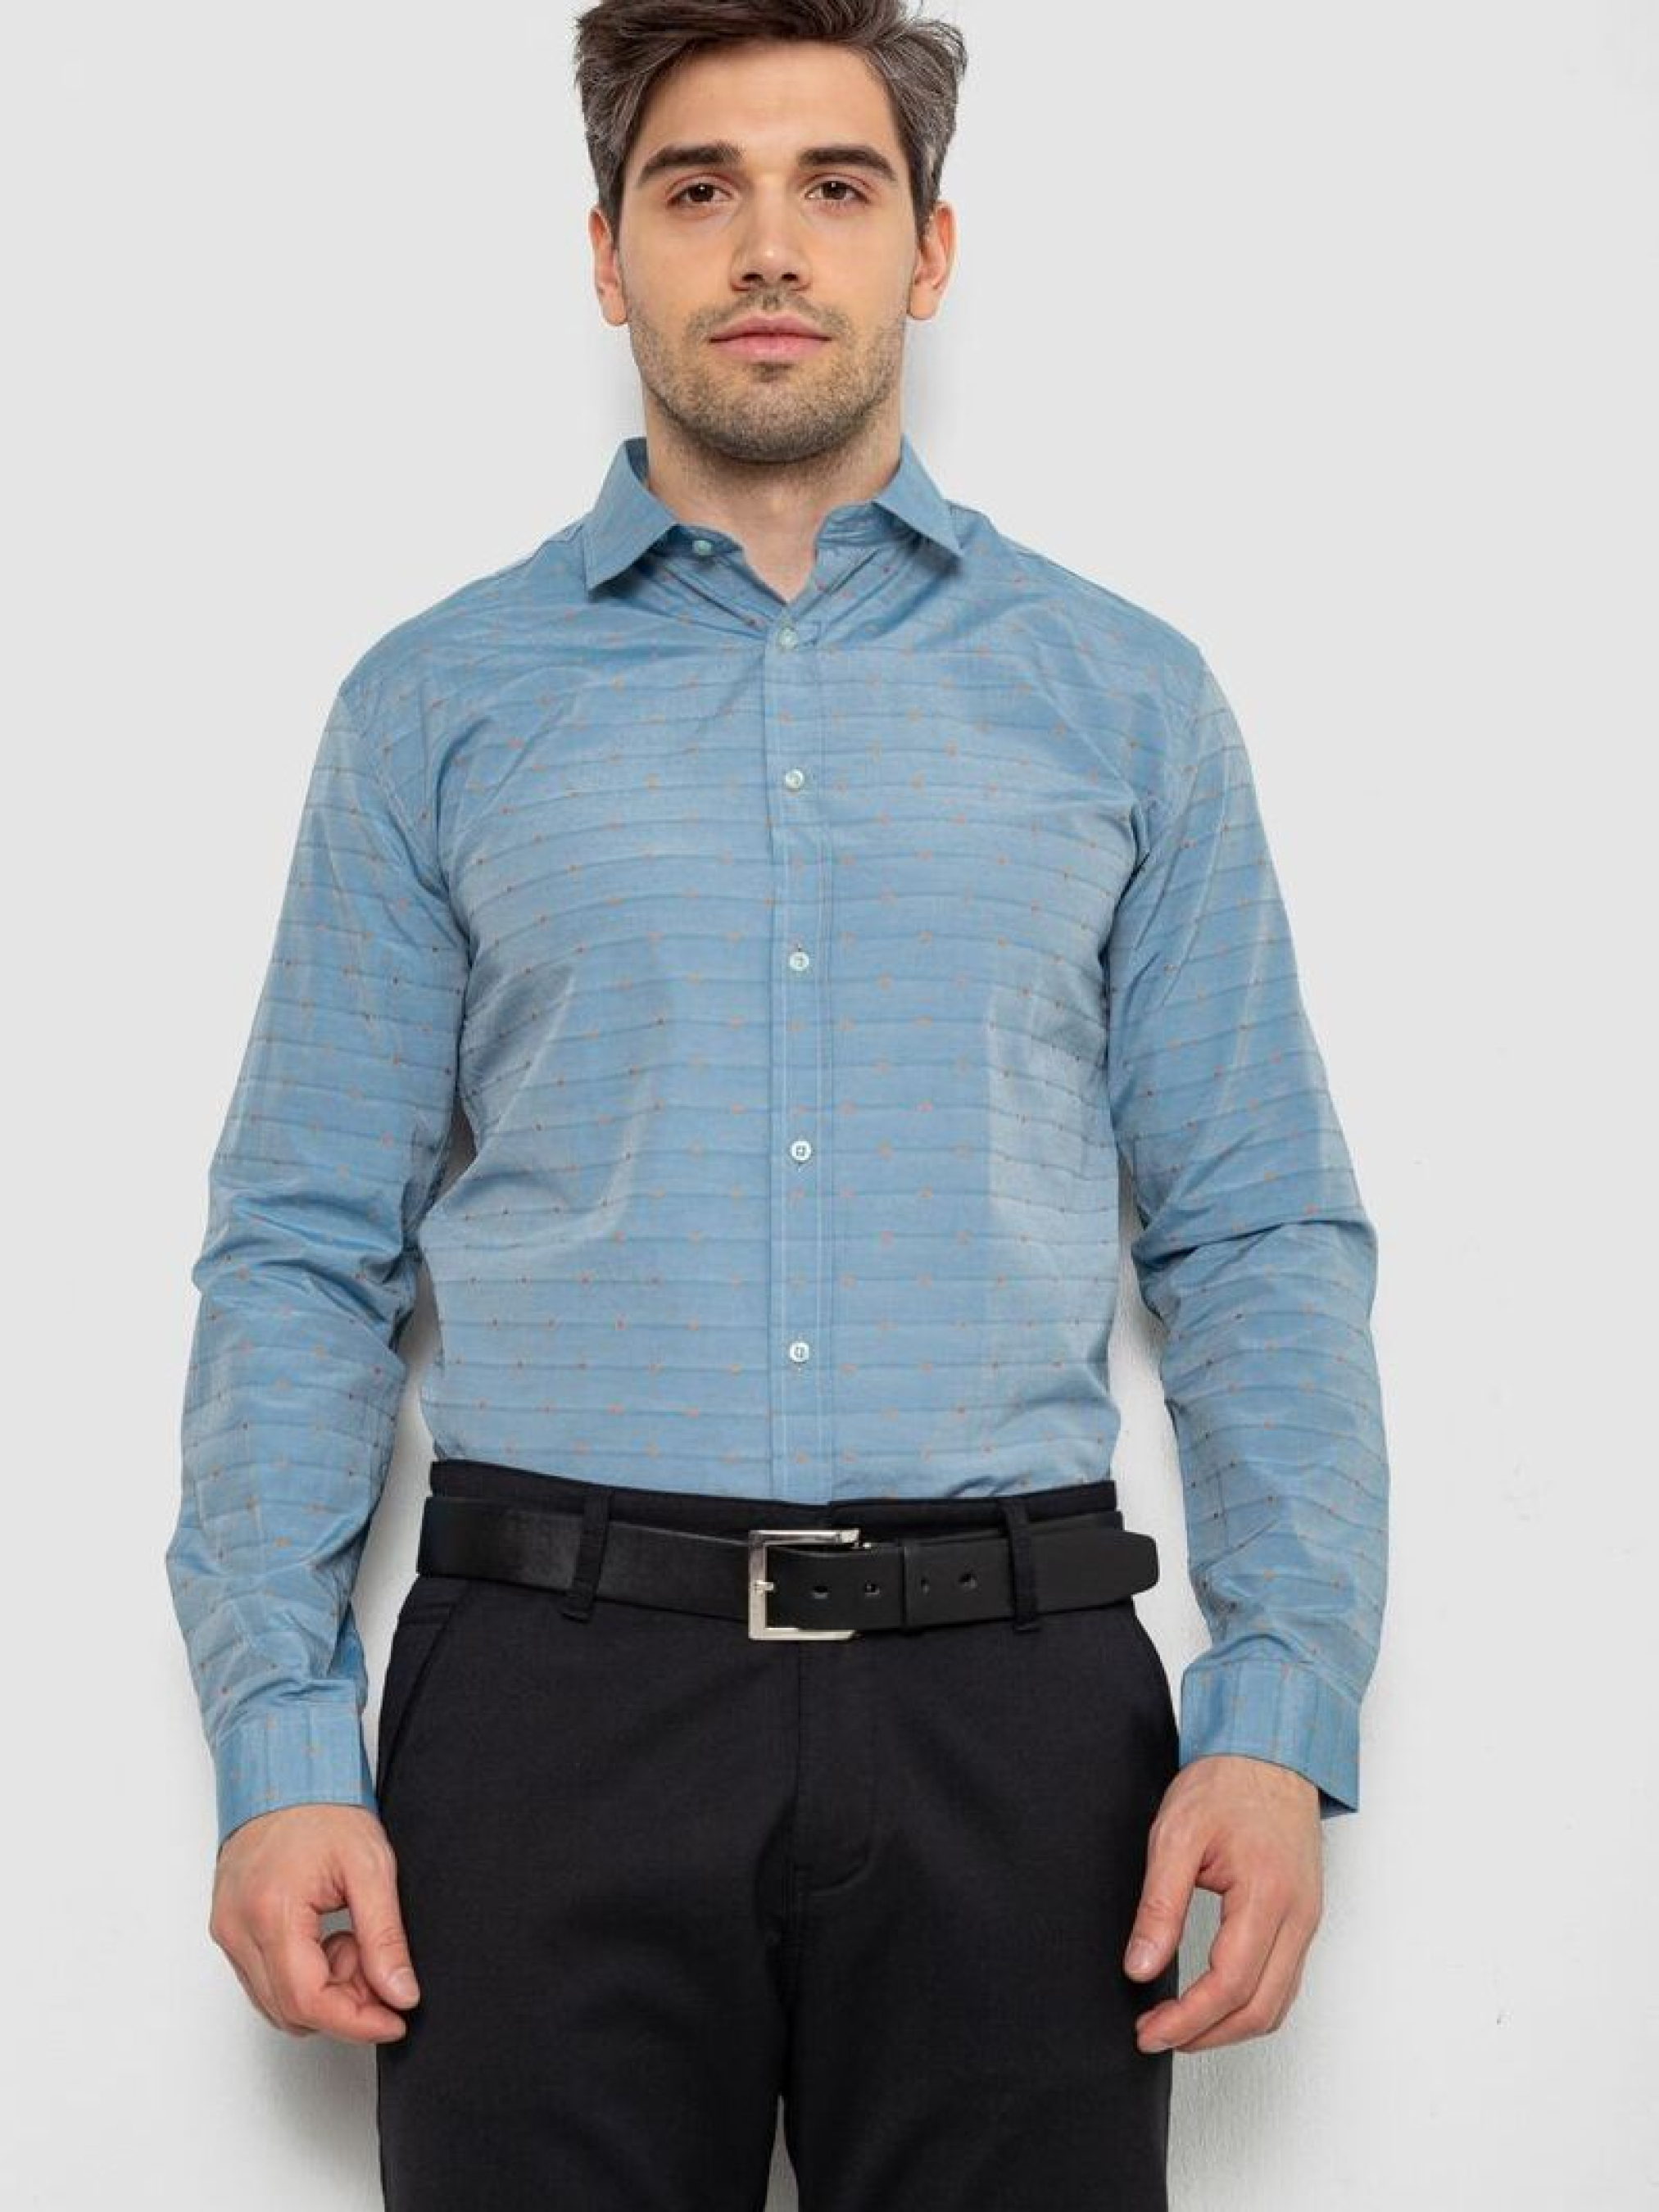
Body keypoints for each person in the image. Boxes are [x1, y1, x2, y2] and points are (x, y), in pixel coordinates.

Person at [165, 3, 1390, 2205]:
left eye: (834, 185)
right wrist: (278, 1743)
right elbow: (301, 1248)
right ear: (606, 252)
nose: (765, 246)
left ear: (929, 248)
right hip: (547, 1709)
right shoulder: (435, 704)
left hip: (1017, 1712)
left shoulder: (1126, 698)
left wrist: (1280, 1714)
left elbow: (1254, 1234)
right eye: (695, 187)